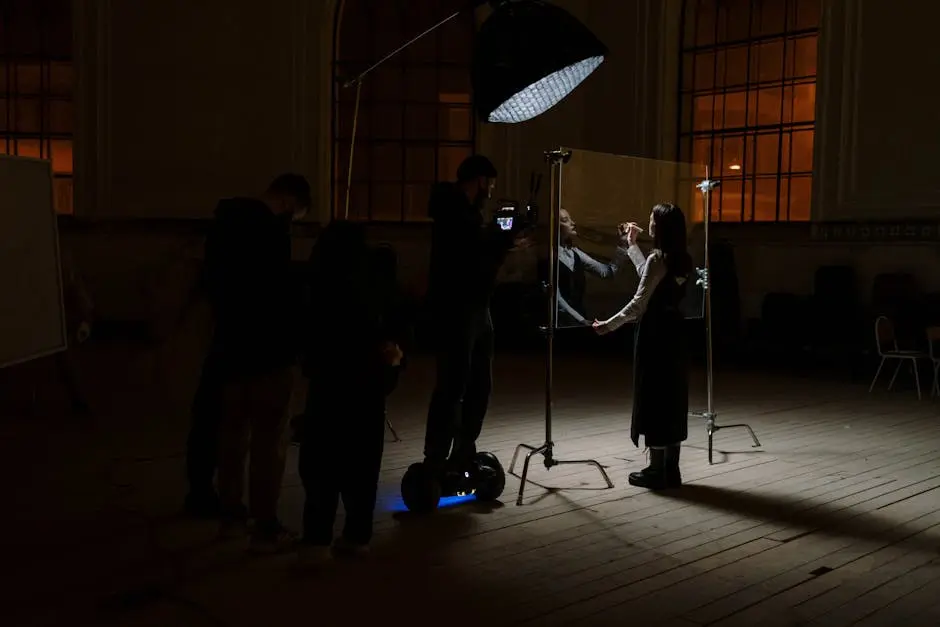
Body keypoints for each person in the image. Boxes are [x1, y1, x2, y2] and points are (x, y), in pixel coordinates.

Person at [205, 173, 309, 551]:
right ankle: (265, 526)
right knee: (269, 442)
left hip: (229, 348)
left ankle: (230, 517)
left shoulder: (223, 224)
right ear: (289, 202)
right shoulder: (272, 233)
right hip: (269, 353)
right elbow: (279, 297)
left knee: (231, 438)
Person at [296, 221, 408, 566]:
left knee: (320, 466)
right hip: (366, 387)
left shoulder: (315, 282)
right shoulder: (374, 284)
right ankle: (357, 535)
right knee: (363, 465)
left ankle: (316, 539)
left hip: (326, 387)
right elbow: (393, 332)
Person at [423, 155, 527, 478]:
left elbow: (478, 253)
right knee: (454, 385)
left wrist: (501, 242)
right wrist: (504, 241)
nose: (491, 190)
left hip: (476, 307)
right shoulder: (454, 214)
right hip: (458, 309)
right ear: (480, 180)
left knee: (478, 383)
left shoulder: (465, 214)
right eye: (490, 183)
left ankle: (462, 450)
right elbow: (472, 259)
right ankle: (436, 458)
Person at [592, 203, 692, 490]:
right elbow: (649, 277)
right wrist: (632, 246)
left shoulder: (658, 258)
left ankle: (656, 471)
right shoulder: (682, 258)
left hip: (655, 333)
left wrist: (608, 325)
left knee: (654, 396)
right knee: (673, 397)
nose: (648, 221)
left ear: (659, 226)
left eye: (652, 218)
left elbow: (639, 303)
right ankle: (671, 470)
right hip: (676, 333)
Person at [556, 207, 631, 326]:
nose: (573, 223)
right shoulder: (549, 256)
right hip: (560, 322)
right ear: (554, 226)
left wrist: (622, 243)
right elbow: (556, 298)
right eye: (565, 220)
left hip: (579, 320)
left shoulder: (575, 253)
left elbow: (608, 273)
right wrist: (581, 320)